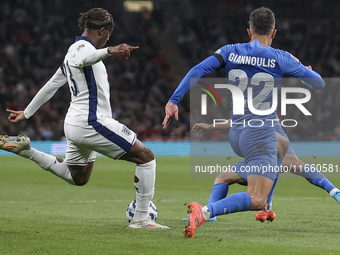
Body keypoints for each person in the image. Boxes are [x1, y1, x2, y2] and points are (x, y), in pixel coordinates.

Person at [162, 7, 325, 237]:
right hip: (259, 134)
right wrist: (307, 74)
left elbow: (198, 69)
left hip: (237, 134)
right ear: (274, 32)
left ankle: (250, 207)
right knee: (256, 197)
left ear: (249, 31)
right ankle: (207, 211)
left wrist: (174, 100)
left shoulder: (230, 51)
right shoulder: (282, 57)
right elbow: (319, 84)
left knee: (282, 146)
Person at [0, 8, 169, 229]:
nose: (109, 38)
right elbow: (85, 58)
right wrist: (111, 49)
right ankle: (141, 219)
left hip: (74, 123)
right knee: (146, 156)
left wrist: (27, 112)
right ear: (102, 31)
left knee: (77, 177)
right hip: (91, 121)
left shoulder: (71, 52)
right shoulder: (82, 49)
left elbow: (52, 84)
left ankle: (27, 151)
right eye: (108, 34)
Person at [190, 120, 340, 222]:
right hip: (257, 150)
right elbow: (234, 121)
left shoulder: (262, 103)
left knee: (292, 163)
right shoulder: (246, 104)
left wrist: (303, 74)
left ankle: (334, 191)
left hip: (272, 140)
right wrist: (209, 126)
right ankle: (209, 213)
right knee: (223, 177)